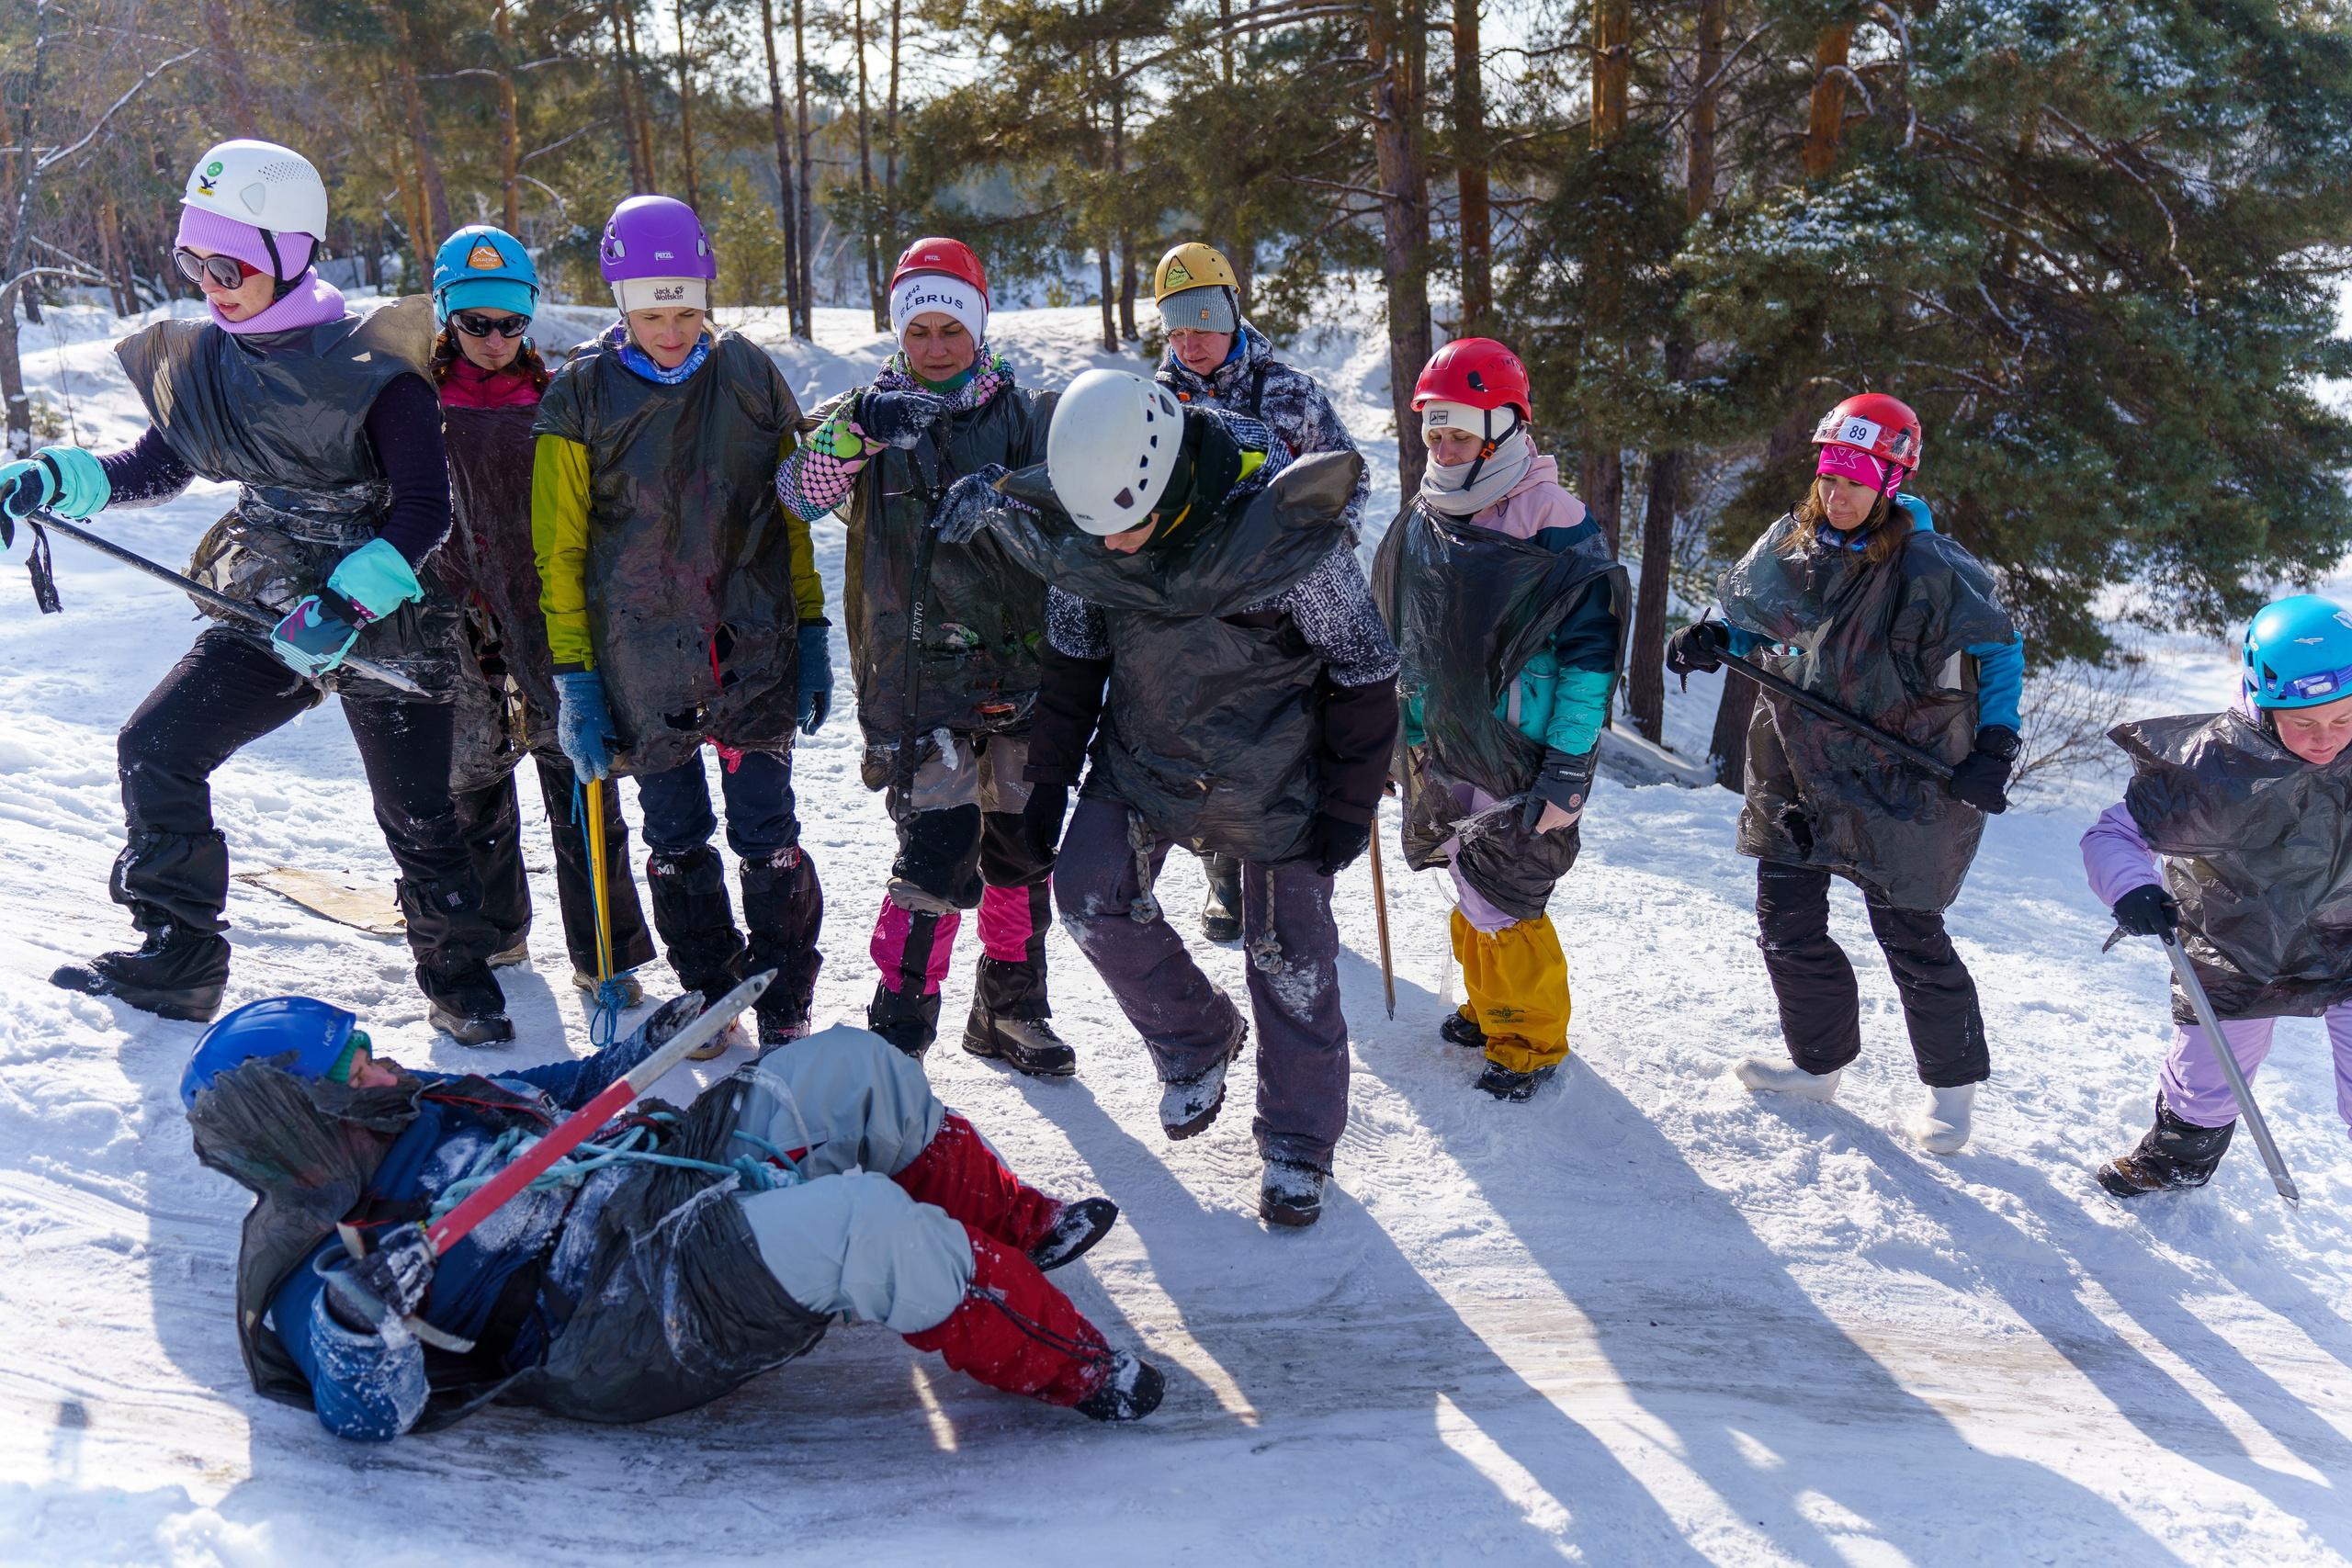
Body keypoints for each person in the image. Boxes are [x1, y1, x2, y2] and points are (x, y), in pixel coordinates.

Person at [15, 140, 509, 1042]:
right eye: (192, 260)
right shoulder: (211, 361)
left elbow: (427, 511)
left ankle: (459, 979)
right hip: (271, 599)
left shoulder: (374, 369)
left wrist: (350, 603)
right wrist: (53, 479)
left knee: (417, 810)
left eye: (230, 262)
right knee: (155, 748)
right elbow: (154, 467)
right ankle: (179, 958)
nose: (211, 281)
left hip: (385, 612)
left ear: (293, 252)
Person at [180, 991, 1161, 1441]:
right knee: (862, 1223)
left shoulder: (415, 1099)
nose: (385, 1065)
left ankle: (1015, 1224)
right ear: (305, 1113)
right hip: (619, 1318)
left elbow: (538, 1090)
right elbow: (368, 1415)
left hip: (652, 1183)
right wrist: (364, 1322)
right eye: (358, 1066)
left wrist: (636, 1051)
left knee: (852, 1066)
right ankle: (1076, 1367)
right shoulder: (316, 1260)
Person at [935, 368, 1398, 1227]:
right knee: (1083, 891)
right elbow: (1074, 664)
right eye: (1095, 531)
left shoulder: (1284, 535)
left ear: (1168, 482)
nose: (1110, 548)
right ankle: (1195, 1038)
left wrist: (1348, 803)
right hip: (1146, 752)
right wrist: (1046, 785)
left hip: (1278, 769)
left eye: (1126, 529)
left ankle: (1298, 1144)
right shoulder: (1092, 528)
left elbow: (1366, 670)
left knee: (1289, 956)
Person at [1665, 392, 2024, 1155]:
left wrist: (1996, 744)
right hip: (1798, 757)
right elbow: (1756, 616)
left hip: (1900, 770)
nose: (1837, 494)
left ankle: (1952, 1092)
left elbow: (1998, 649)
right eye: (1829, 477)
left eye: (1856, 480)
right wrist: (1712, 636)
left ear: (1892, 481)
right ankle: (1817, 1062)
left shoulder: (1933, 566)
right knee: (1786, 919)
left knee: (1908, 929)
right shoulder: (1798, 547)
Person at [532, 195, 831, 1050]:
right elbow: (559, 551)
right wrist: (576, 675)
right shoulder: (581, 396)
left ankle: (781, 986)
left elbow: (790, 514)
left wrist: (810, 630)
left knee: (767, 829)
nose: (673, 330)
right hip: (641, 659)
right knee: (674, 832)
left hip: (753, 642)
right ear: (622, 304)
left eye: (688, 310)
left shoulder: (748, 374)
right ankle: (710, 983)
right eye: (654, 313)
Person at [772, 238, 1069, 1074]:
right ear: (900, 333)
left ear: (978, 325)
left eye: (951, 329)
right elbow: (797, 492)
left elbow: (1076, 507)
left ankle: (1013, 1008)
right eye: (920, 331)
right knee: (936, 854)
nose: (936, 347)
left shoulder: (1022, 414)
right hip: (914, 682)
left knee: (1018, 847)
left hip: (1021, 668)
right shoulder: (871, 411)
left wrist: (1013, 493)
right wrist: (861, 433)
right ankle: (901, 1024)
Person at [1372, 340, 1626, 1101]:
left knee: (1506, 891)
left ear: (1504, 426)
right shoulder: (1427, 514)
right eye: (1434, 436)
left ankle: (1531, 1037)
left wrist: (1569, 766)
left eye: (1460, 434)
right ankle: (1491, 1008)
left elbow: (1590, 657)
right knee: (1465, 872)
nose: (1445, 450)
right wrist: (1399, 738)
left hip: (1522, 746)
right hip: (1449, 741)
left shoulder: (1555, 518)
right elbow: (1410, 636)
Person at [427, 223, 655, 1013]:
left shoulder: (559, 396)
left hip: (545, 599)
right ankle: (495, 928)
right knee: (471, 772)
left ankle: (604, 949)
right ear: (445, 316)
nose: (494, 340)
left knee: (578, 765)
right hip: (450, 598)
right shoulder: (416, 399)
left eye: (511, 323)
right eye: (475, 323)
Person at [2086, 594, 2352, 1197]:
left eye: (2343, 720)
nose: (2326, 740)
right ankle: (2175, 1159)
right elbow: (2114, 833)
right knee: (2210, 1069)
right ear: (2262, 698)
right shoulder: (2214, 762)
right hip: (2241, 934)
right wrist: (2132, 886)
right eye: (2303, 722)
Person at [1150, 242, 1370, 944]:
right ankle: (1222, 873)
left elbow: (1347, 482)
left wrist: (1324, 558)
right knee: (1209, 740)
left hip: (1284, 609)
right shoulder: (1154, 403)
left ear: (1234, 311)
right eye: (1177, 328)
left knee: (1285, 741)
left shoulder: (1291, 395)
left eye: (1204, 322)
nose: (1192, 341)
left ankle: (1292, 882)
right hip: (1195, 611)